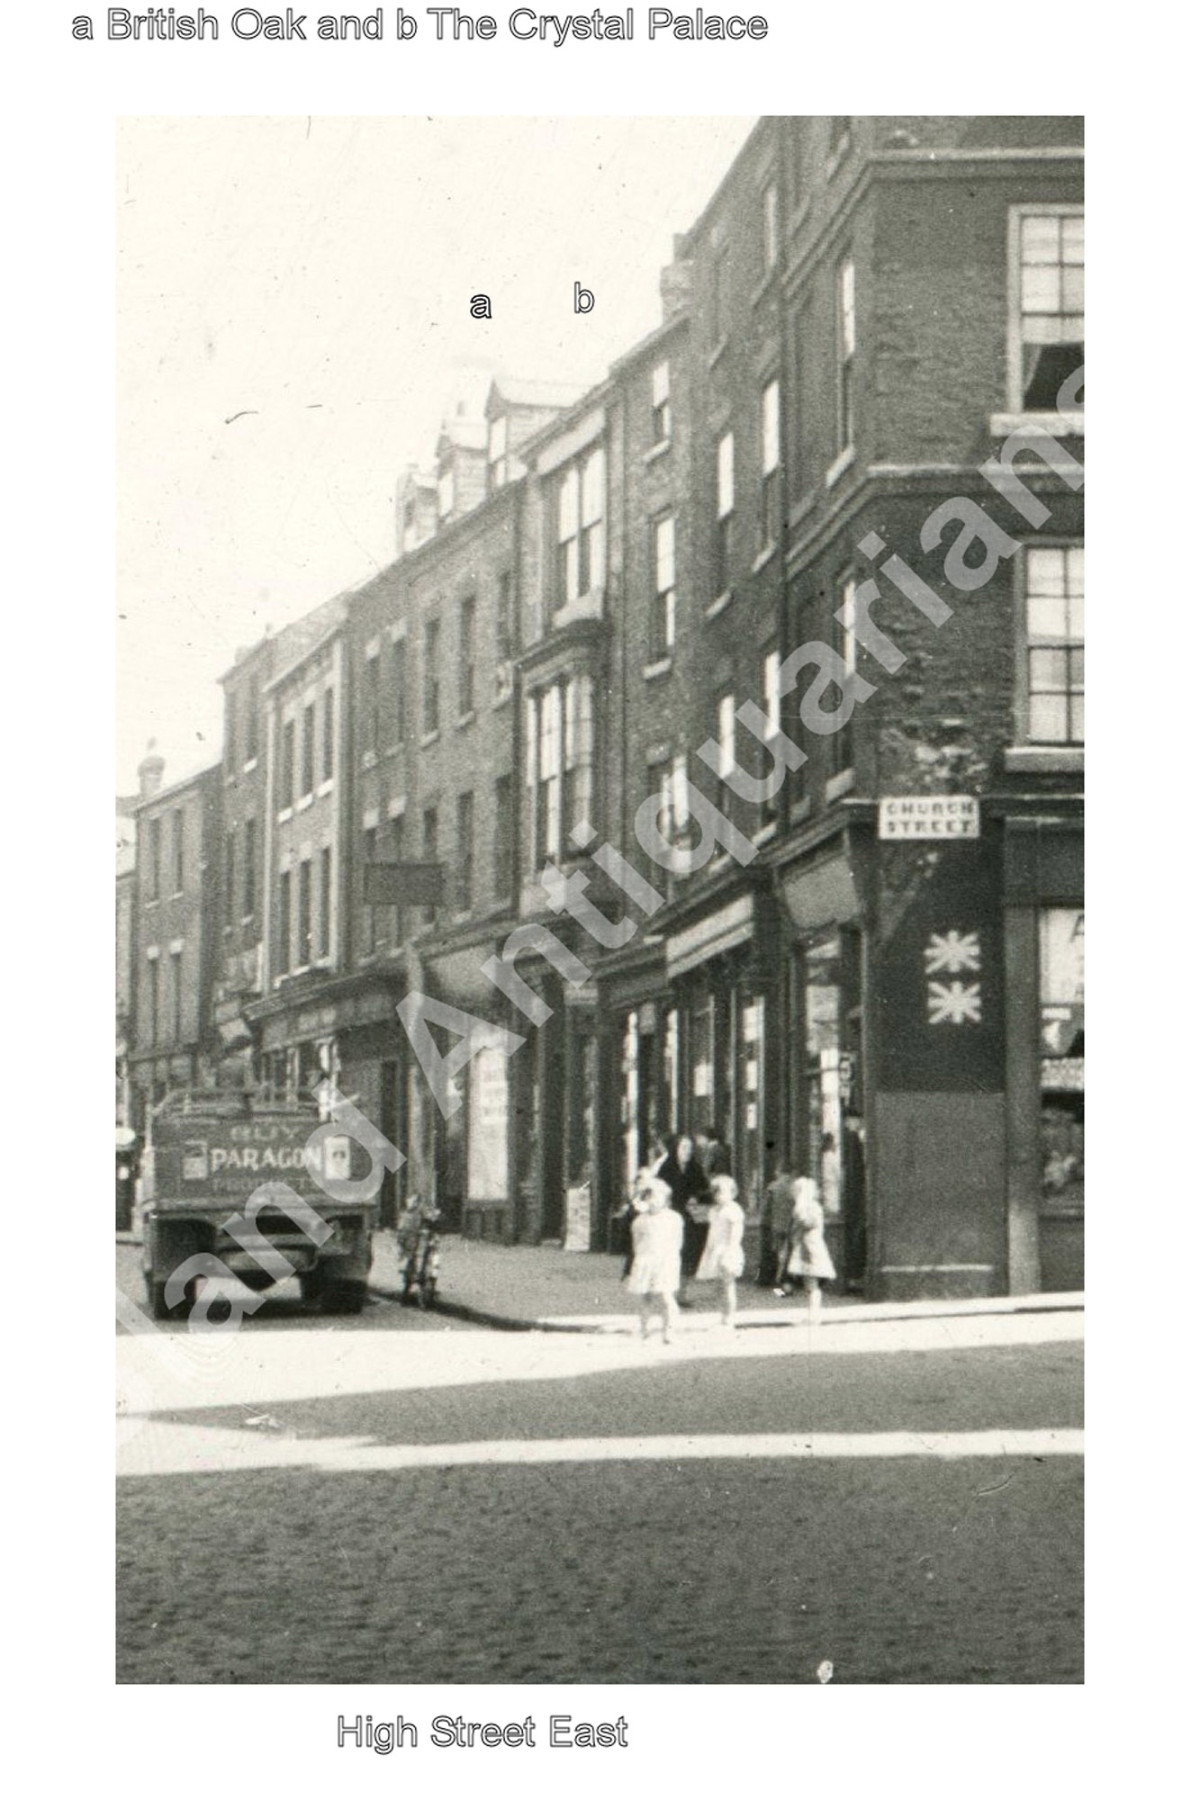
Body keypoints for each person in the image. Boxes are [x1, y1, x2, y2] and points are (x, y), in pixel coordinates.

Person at [624, 1176, 684, 1344]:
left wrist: (671, 1259)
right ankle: (645, 1331)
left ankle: (669, 1332)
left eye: (658, 1197)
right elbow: (636, 1244)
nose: (653, 1201)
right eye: (649, 1197)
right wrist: (640, 1261)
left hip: (665, 1261)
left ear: (666, 1198)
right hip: (646, 1260)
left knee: (666, 1297)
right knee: (645, 1297)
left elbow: (678, 1241)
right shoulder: (640, 1221)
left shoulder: (673, 1218)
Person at [656, 1133, 710, 1304]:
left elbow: (705, 1191)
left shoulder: (696, 1168)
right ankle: (670, 1292)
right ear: (676, 1149)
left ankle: (681, 1293)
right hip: (671, 1217)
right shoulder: (666, 1168)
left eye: (690, 1148)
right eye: (684, 1147)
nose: (688, 1151)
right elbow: (658, 1191)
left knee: (688, 1255)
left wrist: (697, 1197)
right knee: (672, 1254)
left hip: (691, 1218)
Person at [694, 1173, 745, 1327]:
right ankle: (722, 1316)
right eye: (716, 1192)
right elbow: (712, 1232)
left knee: (728, 1285)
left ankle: (730, 1318)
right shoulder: (714, 1211)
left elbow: (736, 1232)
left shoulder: (733, 1210)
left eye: (723, 1192)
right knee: (719, 1286)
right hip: (716, 1249)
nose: (719, 1196)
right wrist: (709, 1250)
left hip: (728, 1249)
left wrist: (731, 1250)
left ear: (733, 1193)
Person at [786, 1174, 837, 1322]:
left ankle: (814, 1315)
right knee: (809, 1284)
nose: (794, 1194)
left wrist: (800, 1206)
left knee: (812, 1284)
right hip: (804, 1248)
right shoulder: (806, 1207)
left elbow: (808, 1223)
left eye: (797, 1191)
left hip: (810, 1249)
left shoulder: (813, 1207)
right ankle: (811, 1314)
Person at [763, 1159, 798, 1294]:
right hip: (793, 1225)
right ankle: (788, 1281)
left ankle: (779, 1281)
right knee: (790, 1253)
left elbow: (766, 1208)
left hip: (777, 1225)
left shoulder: (773, 1187)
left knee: (780, 1254)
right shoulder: (795, 1187)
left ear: (779, 1171)